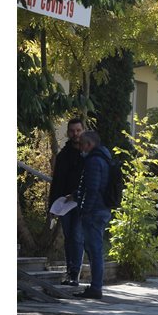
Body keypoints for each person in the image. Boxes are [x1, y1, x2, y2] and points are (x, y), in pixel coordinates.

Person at [70, 131, 112, 299]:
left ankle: (96, 288)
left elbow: (92, 188)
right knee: (95, 249)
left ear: (89, 145)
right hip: (102, 209)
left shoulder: (94, 161)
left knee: (94, 250)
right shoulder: (105, 158)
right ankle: (95, 286)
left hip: (94, 211)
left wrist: (84, 210)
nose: (80, 148)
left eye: (82, 144)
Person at [48, 118, 85, 287]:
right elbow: (57, 182)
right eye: (72, 131)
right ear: (68, 133)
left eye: (78, 130)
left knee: (77, 237)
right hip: (64, 203)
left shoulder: (89, 153)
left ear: (83, 131)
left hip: (82, 202)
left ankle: (75, 273)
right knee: (69, 237)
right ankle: (70, 271)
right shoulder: (63, 155)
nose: (75, 134)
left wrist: (77, 194)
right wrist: (53, 206)